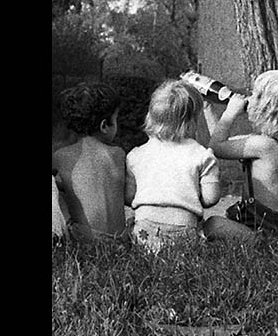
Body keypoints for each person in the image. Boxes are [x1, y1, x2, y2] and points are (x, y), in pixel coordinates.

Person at [202, 69, 278, 242]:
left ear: (266, 107)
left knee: (213, 224)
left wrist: (230, 113)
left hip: (267, 231)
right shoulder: (266, 142)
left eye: (254, 95)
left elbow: (216, 148)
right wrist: (207, 107)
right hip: (263, 223)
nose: (248, 99)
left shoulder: (264, 146)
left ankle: (260, 243)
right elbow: (221, 142)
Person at [125, 79, 222, 252]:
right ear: (193, 121)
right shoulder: (202, 155)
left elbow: (129, 196)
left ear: (151, 116)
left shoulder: (136, 154)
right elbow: (210, 199)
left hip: (144, 230)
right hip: (183, 231)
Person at [51, 82, 129, 242]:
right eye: (116, 119)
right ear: (104, 126)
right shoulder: (118, 154)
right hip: (120, 242)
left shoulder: (61, 157)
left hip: (85, 241)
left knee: (59, 194)